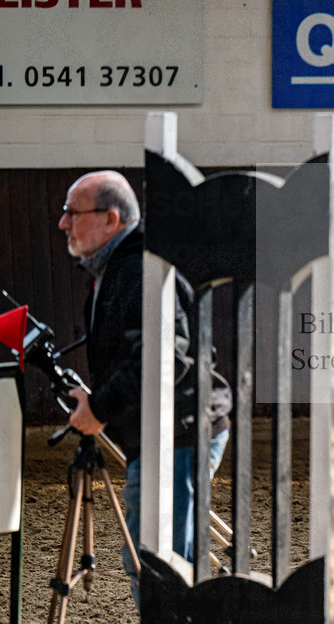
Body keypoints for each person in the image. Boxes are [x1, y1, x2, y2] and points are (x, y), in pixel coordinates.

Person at [61, 170, 231, 603]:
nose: (63, 223)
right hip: (163, 431)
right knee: (159, 565)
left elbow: (162, 356)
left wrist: (99, 407)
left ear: (110, 218)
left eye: (71, 213)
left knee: (159, 569)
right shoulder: (119, 268)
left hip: (177, 432)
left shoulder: (138, 269)